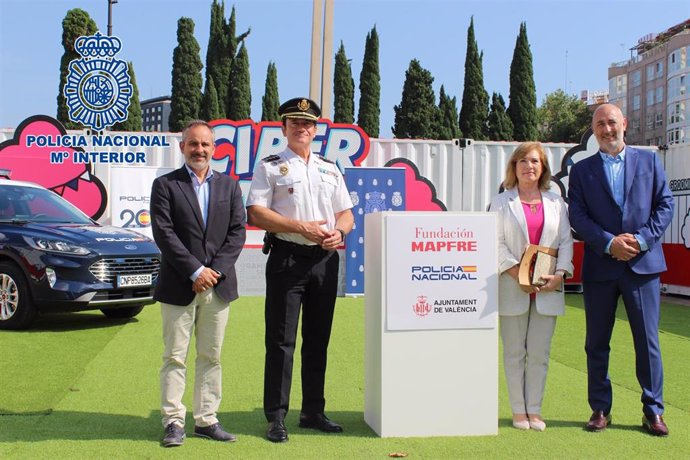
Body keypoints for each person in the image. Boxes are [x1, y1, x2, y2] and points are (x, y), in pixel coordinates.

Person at [246, 97, 354, 443]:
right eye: (294, 122)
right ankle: (276, 416)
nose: (301, 128)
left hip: (324, 260)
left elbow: (346, 213)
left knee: (318, 340)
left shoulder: (329, 168)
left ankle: (313, 411)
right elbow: (256, 213)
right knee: (281, 341)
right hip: (287, 259)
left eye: (307, 123)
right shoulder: (270, 166)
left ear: (315, 129)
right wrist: (298, 227)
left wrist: (341, 231)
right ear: (284, 128)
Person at [568, 104, 674, 436]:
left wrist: (642, 240)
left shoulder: (649, 161)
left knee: (647, 342)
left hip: (642, 268)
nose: (607, 129)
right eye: (600, 124)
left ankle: (652, 411)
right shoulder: (582, 171)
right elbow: (578, 217)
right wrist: (608, 242)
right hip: (601, 268)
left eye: (611, 122)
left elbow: (665, 204)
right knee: (596, 342)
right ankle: (600, 409)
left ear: (624, 124)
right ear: (593, 130)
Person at [150, 120, 246, 447]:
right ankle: (173, 421)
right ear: (182, 147)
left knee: (211, 355)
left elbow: (237, 234)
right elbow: (164, 233)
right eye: (193, 144)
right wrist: (195, 271)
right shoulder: (165, 185)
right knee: (175, 356)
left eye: (205, 144)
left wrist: (212, 272)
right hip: (179, 285)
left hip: (217, 288)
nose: (199, 150)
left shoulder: (230, 187)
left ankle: (206, 419)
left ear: (214, 148)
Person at [489, 141, 573, 432]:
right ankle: (518, 410)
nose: (529, 166)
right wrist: (518, 274)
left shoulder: (556, 202)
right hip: (513, 287)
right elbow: (495, 244)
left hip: (548, 289)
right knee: (514, 352)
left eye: (535, 161)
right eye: (523, 161)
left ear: (543, 168)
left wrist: (560, 273)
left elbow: (565, 242)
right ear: (514, 167)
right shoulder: (501, 202)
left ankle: (534, 410)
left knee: (539, 353)